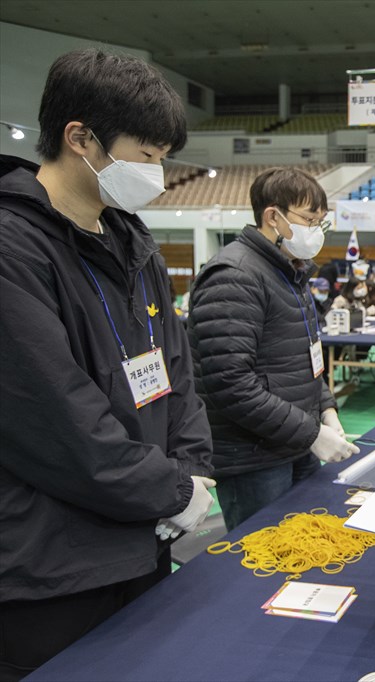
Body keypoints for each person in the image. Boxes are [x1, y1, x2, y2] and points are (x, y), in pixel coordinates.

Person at [0, 49, 215, 679]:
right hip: (54, 572)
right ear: (80, 138)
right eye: (146, 154)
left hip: (145, 542)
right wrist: (172, 490)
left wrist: (193, 475)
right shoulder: (14, 249)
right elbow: (60, 420)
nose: (159, 171)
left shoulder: (133, 243)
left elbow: (177, 377)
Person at [188, 167, 358, 531]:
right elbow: (231, 384)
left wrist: (326, 408)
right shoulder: (235, 275)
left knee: (307, 547)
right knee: (263, 565)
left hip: (294, 442)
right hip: (254, 457)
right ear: (273, 216)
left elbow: (303, 358)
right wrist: (311, 433)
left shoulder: (291, 272)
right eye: (309, 219)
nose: (316, 231)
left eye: (320, 222)